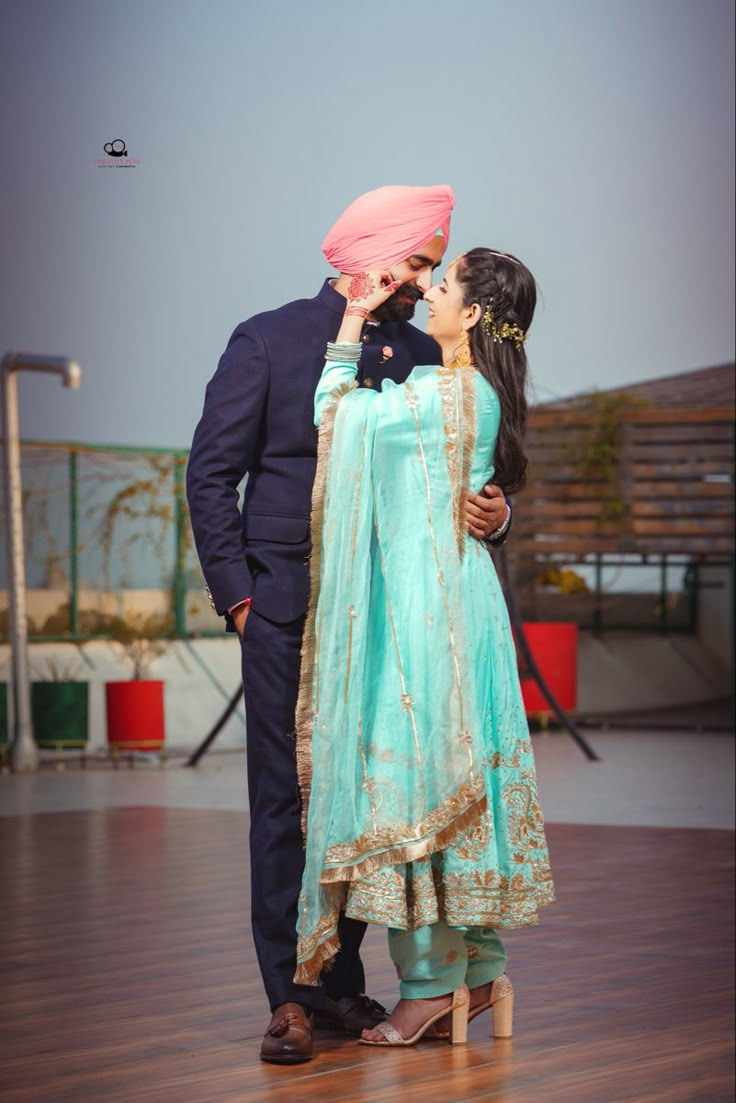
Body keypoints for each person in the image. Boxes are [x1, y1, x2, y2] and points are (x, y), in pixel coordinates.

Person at [185, 186, 513, 1064]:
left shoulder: (421, 348)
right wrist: (240, 596)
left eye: (426, 270)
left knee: (370, 800)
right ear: (368, 257)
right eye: (413, 262)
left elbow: (465, 456)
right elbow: (210, 475)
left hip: (387, 617)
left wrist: (496, 510)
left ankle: (341, 985)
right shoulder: (269, 337)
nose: (420, 280)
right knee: (286, 799)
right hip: (285, 608)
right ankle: (289, 997)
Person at [294, 247, 554, 1048]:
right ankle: (479, 972)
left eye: (442, 287)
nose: (429, 294)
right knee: (452, 777)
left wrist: (347, 321)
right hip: (460, 605)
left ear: (472, 314)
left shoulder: (439, 393)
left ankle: (430, 987)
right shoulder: (481, 393)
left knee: (407, 789)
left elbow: (334, 415)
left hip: (420, 615)